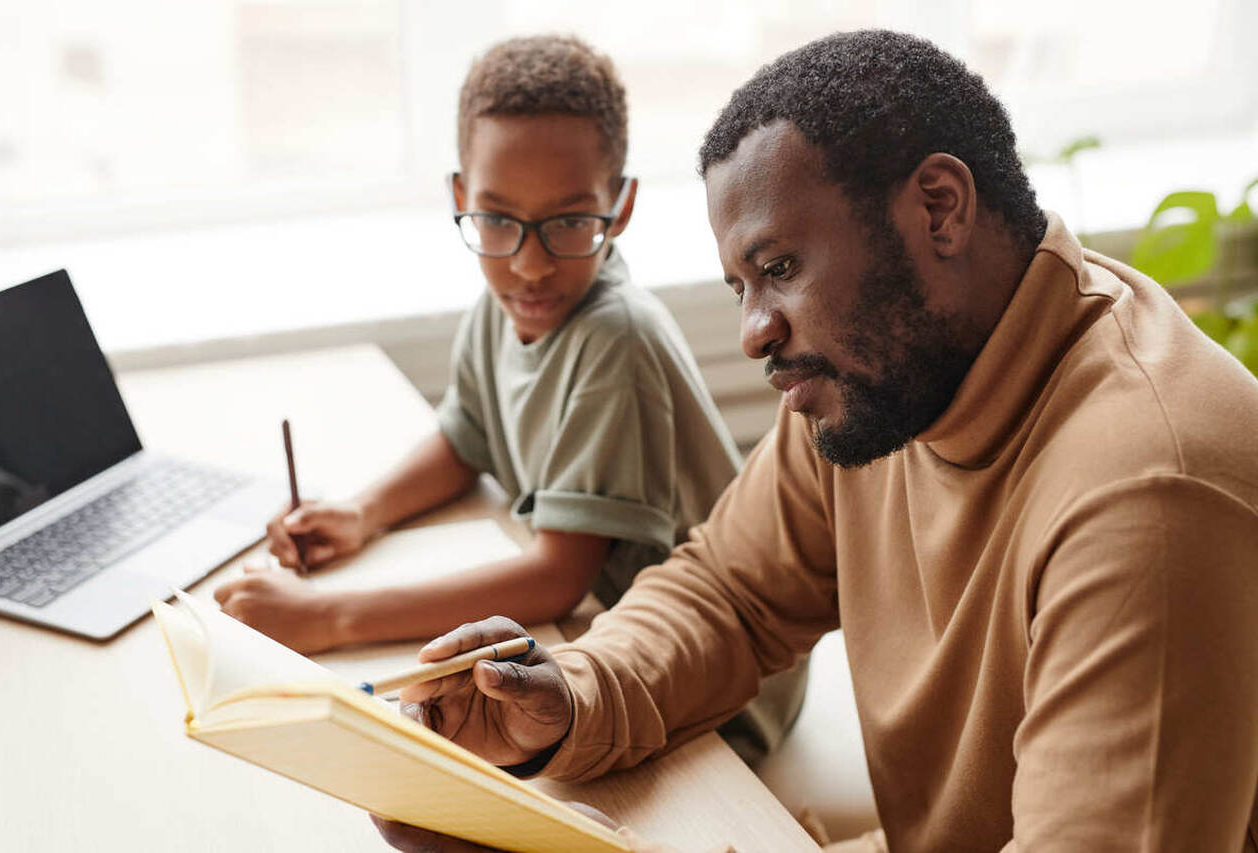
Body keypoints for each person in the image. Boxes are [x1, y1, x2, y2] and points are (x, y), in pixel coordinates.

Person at [370, 30, 1258, 853]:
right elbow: (728, 593)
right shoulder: (882, 382)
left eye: (780, 270)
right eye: (740, 287)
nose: (756, 331)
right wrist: (567, 698)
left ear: (939, 209)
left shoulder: (1152, 496)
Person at [214, 35, 805, 764]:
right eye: (498, 219)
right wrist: (364, 512)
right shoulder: (507, 304)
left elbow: (557, 577)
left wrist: (328, 615)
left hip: (707, 689)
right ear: (461, 199)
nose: (529, 263)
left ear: (620, 208)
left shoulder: (614, 340)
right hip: (601, 651)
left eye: (567, 222)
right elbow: (466, 438)